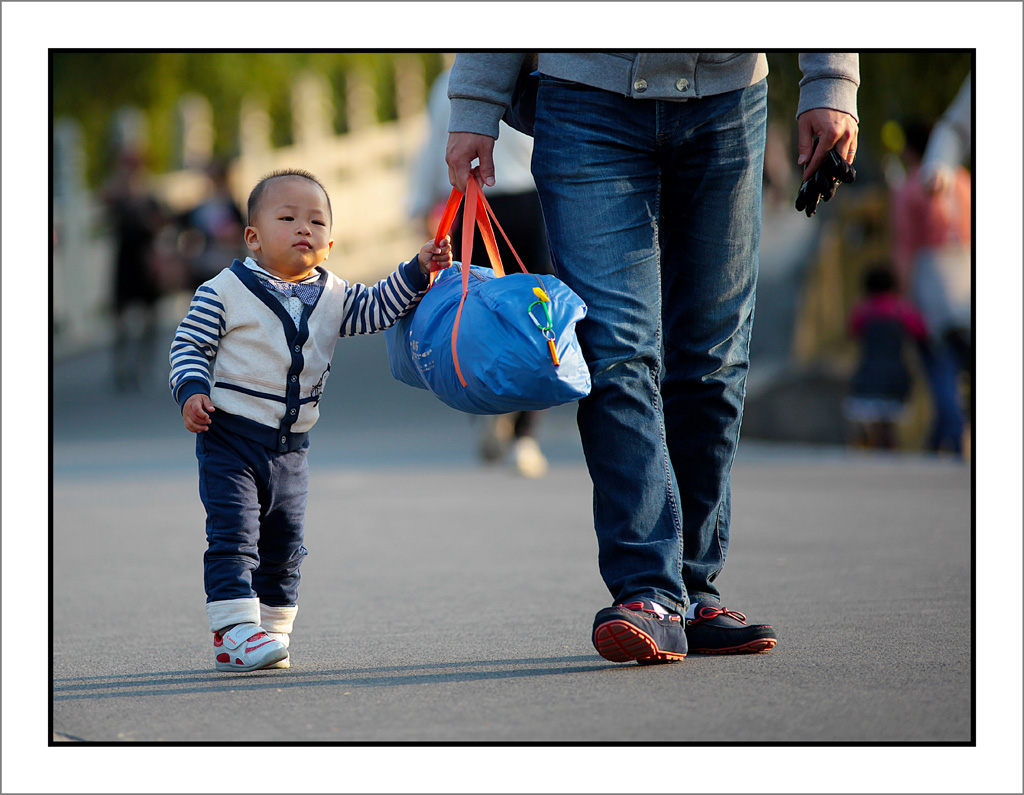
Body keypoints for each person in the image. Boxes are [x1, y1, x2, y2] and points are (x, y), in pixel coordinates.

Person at [446, 52, 859, 663]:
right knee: (614, 351)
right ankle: (648, 590)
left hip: (727, 95)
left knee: (712, 355)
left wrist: (830, 80)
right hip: (586, 95)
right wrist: (477, 101)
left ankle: (692, 587)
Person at [169, 169, 450, 672]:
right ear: (252, 237)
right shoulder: (224, 291)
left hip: (291, 447)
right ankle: (234, 630)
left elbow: (377, 309)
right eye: (288, 218)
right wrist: (192, 390)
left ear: (330, 242)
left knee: (285, 542)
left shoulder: (335, 294)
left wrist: (417, 271)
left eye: (316, 221)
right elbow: (189, 345)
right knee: (234, 535)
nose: (304, 228)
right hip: (229, 436)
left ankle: (271, 632)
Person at [410, 67, 554, 478]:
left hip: (474, 202)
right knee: (535, 314)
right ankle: (526, 435)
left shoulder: (455, 80)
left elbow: (434, 145)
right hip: (533, 200)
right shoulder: (536, 72)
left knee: (475, 311)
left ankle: (488, 406)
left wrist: (420, 203)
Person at [890, 119, 971, 456]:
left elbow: (905, 247)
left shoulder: (911, 188)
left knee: (939, 362)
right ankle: (939, 437)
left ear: (911, 149)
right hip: (967, 271)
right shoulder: (964, 182)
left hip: (932, 278)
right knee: (964, 359)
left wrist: (905, 294)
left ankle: (954, 433)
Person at [844, 263, 929, 450]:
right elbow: (921, 332)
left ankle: (876, 446)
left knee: (873, 417)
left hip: (870, 369)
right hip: (895, 370)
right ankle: (889, 449)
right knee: (890, 421)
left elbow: (852, 332)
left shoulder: (864, 310)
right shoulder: (902, 309)